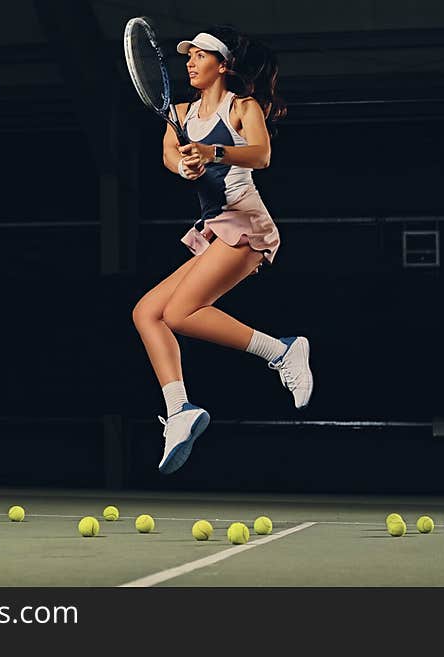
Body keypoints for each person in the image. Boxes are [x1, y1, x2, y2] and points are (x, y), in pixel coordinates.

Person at [131, 26, 313, 475]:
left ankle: (282, 351)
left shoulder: (242, 107)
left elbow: (261, 154)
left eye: (200, 55)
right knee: (146, 313)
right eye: (187, 56)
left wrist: (212, 152)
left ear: (223, 64)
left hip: (246, 222)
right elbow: (170, 155)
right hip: (215, 227)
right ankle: (180, 410)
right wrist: (185, 168)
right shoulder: (177, 111)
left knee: (179, 314)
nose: (190, 62)